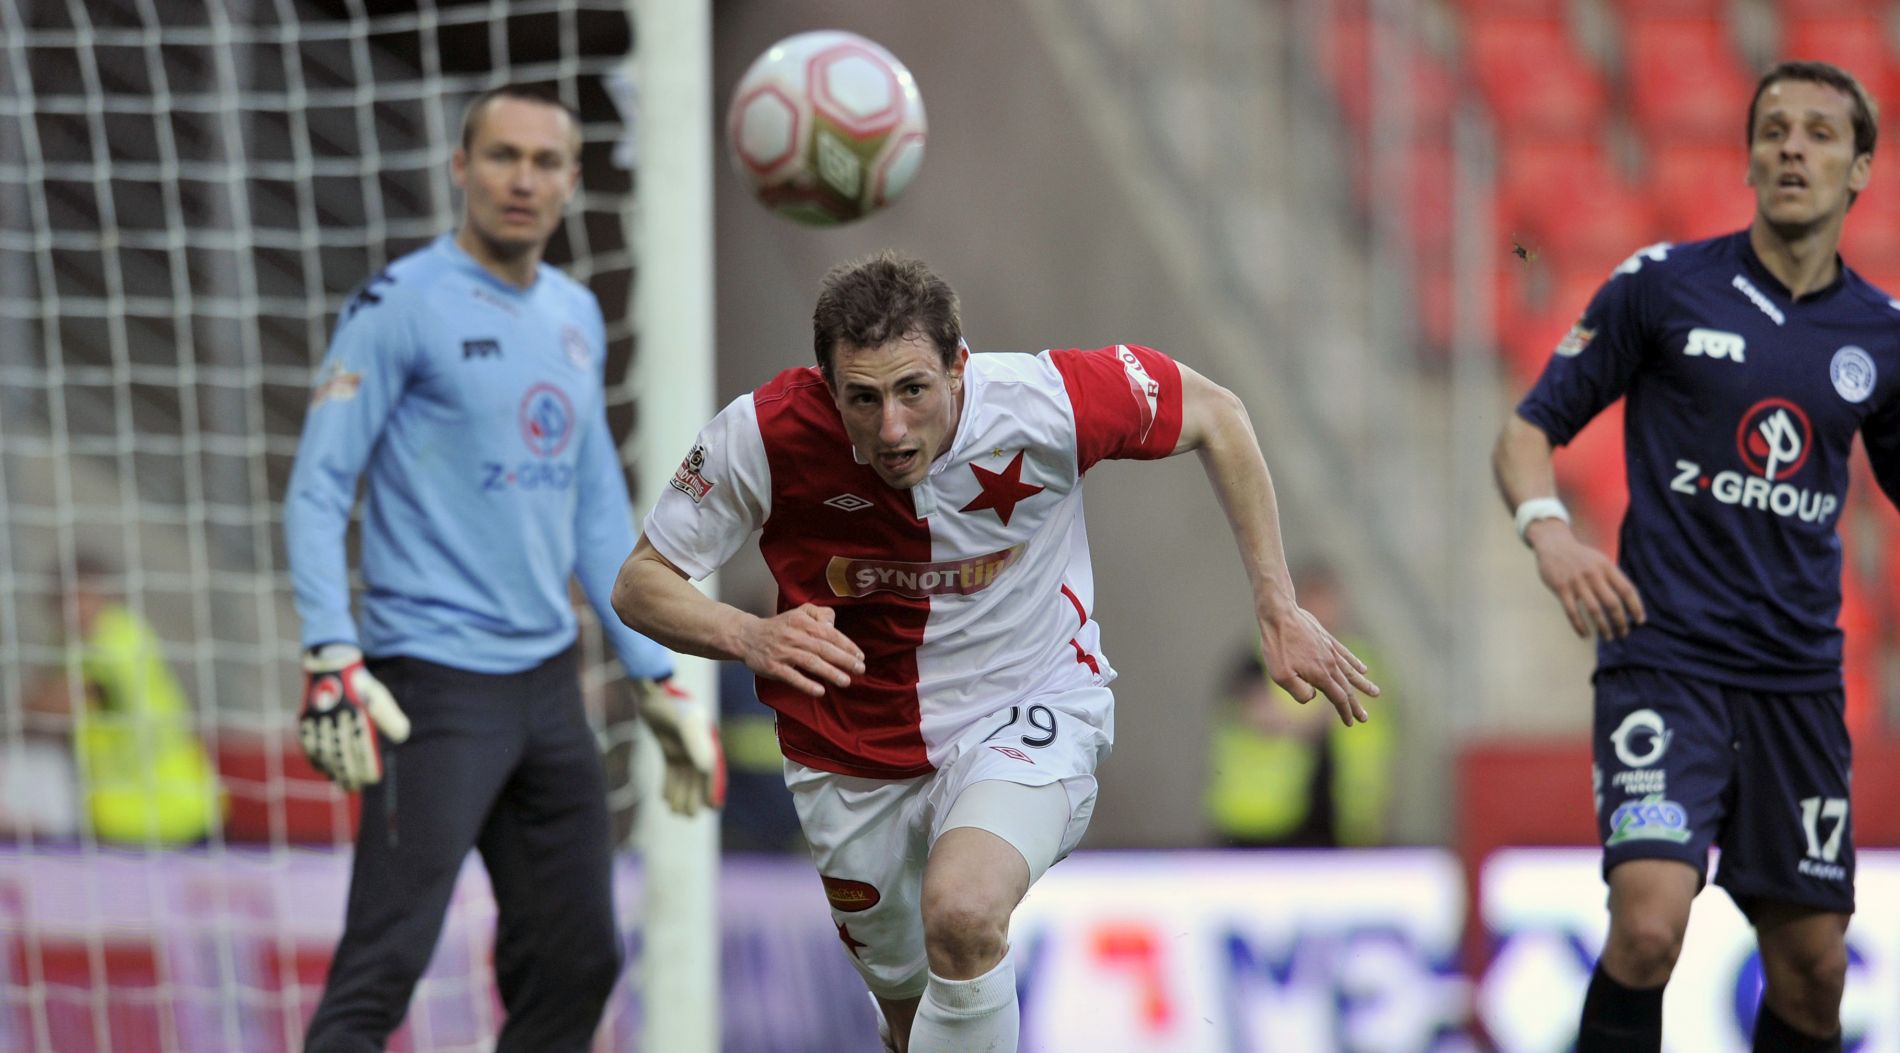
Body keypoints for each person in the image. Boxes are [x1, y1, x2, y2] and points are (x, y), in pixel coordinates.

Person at [613, 251, 1378, 1053]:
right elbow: (639, 582)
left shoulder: (1044, 402)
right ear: (825, 387)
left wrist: (1276, 599)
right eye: (862, 400)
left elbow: (1217, 414)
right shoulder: (761, 435)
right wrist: (749, 635)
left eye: (914, 389)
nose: (893, 427)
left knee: (965, 911)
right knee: (913, 1021)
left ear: (959, 365)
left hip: (1026, 703)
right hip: (847, 752)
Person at [283, 84, 720, 1053]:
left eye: (545, 162)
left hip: (545, 686)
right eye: (501, 156)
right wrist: (329, 651)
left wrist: (656, 675)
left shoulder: (572, 313)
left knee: (578, 963)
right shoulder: (396, 306)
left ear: (571, 182)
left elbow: (596, 505)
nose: (522, 179)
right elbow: (318, 489)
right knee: (381, 971)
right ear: (459, 169)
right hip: (430, 687)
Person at [1492, 60, 1900, 1053]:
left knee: (1809, 978)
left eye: (1816, 133)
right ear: (1750, 157)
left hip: (1798, 683)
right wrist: (1548, 533)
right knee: (1645, 927)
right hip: (1663, 659)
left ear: (1857, 172)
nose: (1791, 148)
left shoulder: (1880, 338)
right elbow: (1526, 431)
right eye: (1773, 131)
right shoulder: (1665, 286)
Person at [25, 555, 222, 846]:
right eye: (64, 601)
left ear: (102, 597)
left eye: (81, 598)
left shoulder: (120, 640)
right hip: (120, 819)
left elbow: (61, 701)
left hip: (172, 813)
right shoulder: (70, 648)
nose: (73, 610)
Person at [1204, 563, 1394, 848]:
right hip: (1261, 823)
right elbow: (1258, 713)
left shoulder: (1361, 659)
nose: (1325, 611)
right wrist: (1323, 713)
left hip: (1343, 823)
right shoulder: (1263, 654)